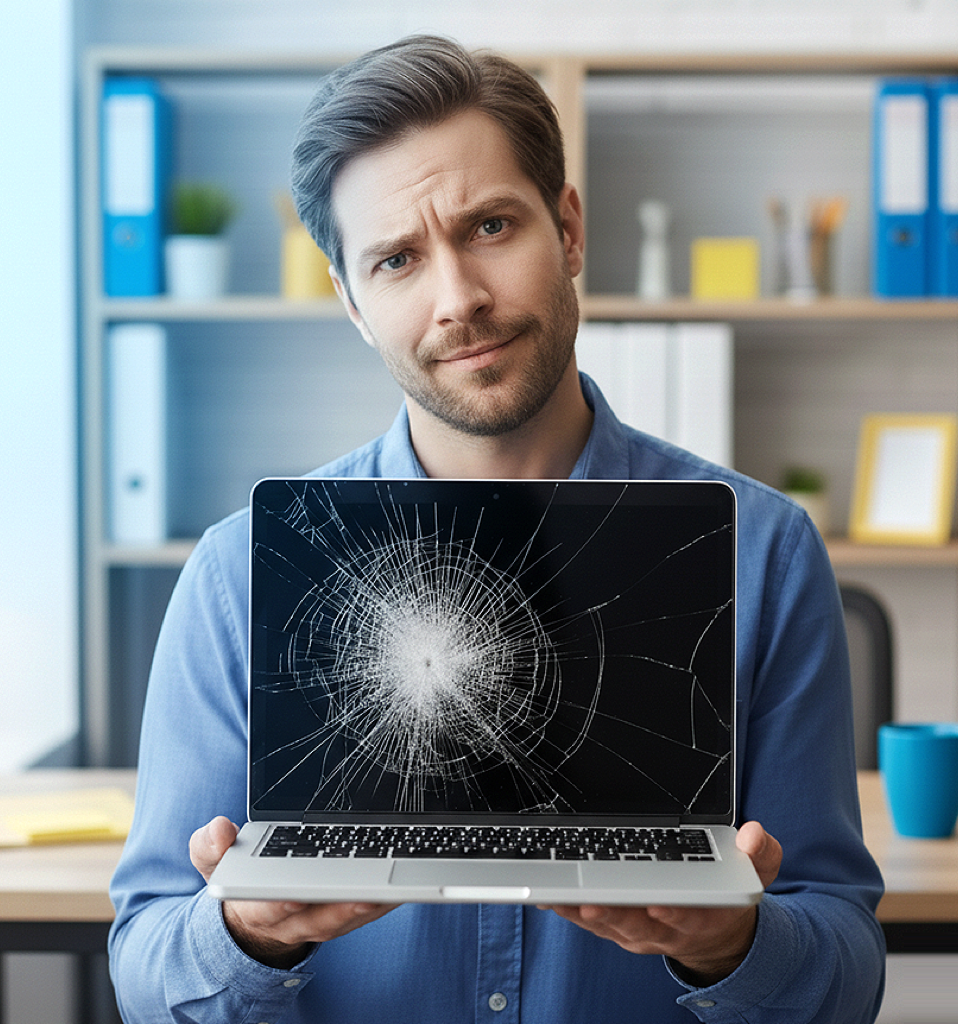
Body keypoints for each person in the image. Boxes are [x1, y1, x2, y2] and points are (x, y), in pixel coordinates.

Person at [109, 35, 885, 1022]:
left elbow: (845, 970)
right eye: (396, 259)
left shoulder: (763, 554)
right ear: (350, 302)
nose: (458, 298)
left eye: (488, 225)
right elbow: (145, 968)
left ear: (567, 228)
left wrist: (733, 944)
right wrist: (246, 930)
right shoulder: (237, 576)